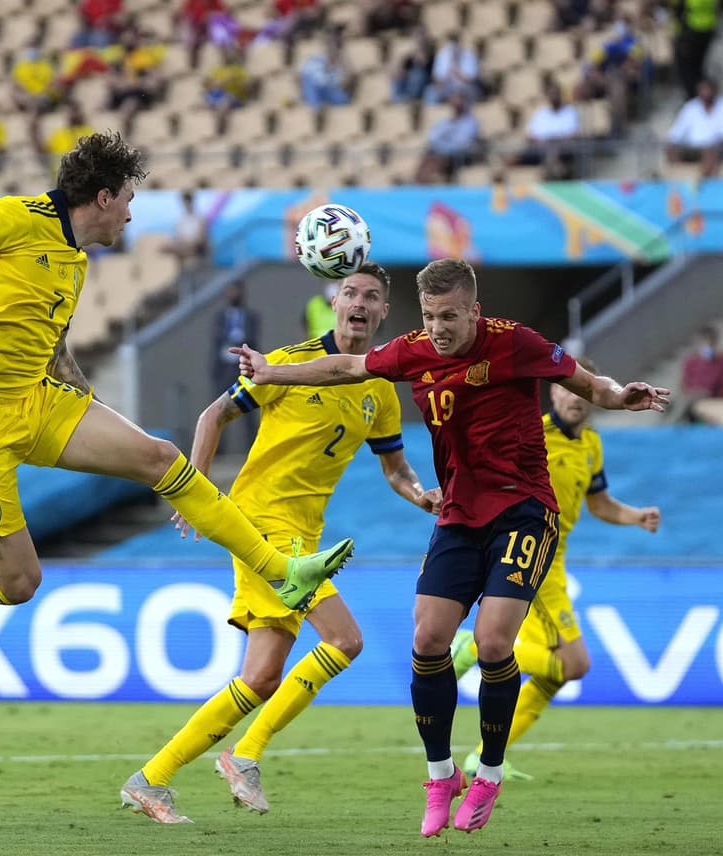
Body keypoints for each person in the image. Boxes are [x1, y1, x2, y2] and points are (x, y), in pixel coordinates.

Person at [0, 131, 354, 645]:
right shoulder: (17, 217)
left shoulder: (74, 260)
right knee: (19, 582)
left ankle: (282, 572)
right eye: (128, 201)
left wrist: (94, 405)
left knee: (159, 456)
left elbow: (51, 347)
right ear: (103, 197)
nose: (130, 215)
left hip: (35, 400)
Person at [232, 258, 669, 836]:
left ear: (475, 311)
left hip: (523, 511)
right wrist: (271, 373)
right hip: (459, 515)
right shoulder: (415, 351)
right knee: (428, 638)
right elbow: (346, 366)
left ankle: (487, 772)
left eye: (450, 317)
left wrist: (621, 396)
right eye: (431, 316)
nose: (439, 328)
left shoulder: (516, 344)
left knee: (492, 642)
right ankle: (441, 775)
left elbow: (587, 385)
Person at [122, 262, 441, 824]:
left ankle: (152, 778)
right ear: (335, 301)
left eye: (371, 295)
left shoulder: (380, 391)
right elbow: (213, 414)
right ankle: (243, 755)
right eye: (351, 292)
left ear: (384, 311)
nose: (360, 302)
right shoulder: (288, 364)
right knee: (344, 640)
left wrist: (422, 496)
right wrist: (194, 491)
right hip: (261, 524)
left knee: (262, 676)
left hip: (302, 532)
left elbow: (395, 469)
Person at [448, 356, 661, 780]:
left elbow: (599, 503)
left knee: (561, 672)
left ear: (593, 397)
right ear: (554, 392)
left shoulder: (592, 446)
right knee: (574, 665)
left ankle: (484, 755)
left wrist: (634, 516)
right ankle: (472, 648)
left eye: (582, 391)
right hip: (530, 549)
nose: (574, 399)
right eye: (566, 388)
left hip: (557, 557)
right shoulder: (534, 434)